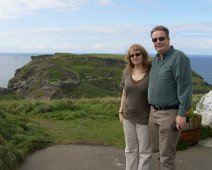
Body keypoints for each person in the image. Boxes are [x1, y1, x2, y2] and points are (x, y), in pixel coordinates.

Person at [148, 25, 192, 170]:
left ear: (168, 39)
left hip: (170, 114)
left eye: (161, 38)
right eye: (155, 39)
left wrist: (182, 114)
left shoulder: (179, 57)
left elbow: (185, 87)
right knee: (157, 153)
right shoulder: (155, 60)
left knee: (166, 157)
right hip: (153, 113)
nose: (158, 42)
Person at [119, 44, 152, 170]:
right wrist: (120, 111)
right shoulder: (127, 72)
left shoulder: (151, 72)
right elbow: (124, 94)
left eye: (137, 54)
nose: (134, 57)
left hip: (144, 118)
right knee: (130, 149)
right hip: (128, 117)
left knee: (144, 152)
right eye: (131, 55)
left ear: (143, 55)